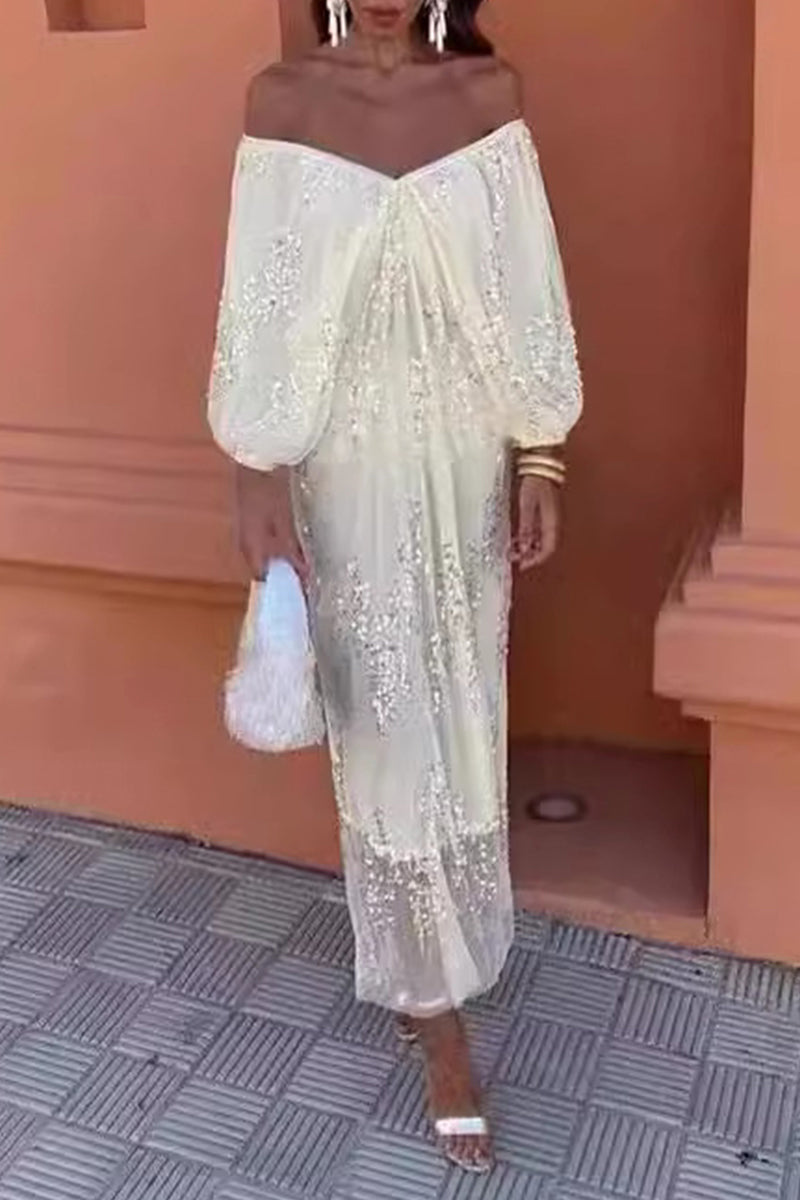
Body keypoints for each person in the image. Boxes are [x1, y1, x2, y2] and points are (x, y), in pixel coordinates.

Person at [208, 0, 582, 1174]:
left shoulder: (485, 96)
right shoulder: (282, 102)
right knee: (379, 727)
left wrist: (539, 454)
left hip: (463, 461)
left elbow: (525, 289)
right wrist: (254, 469)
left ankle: (445, 960)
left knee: (460, 713)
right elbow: (257, 303)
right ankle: (434, 1015)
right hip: (342, 463)